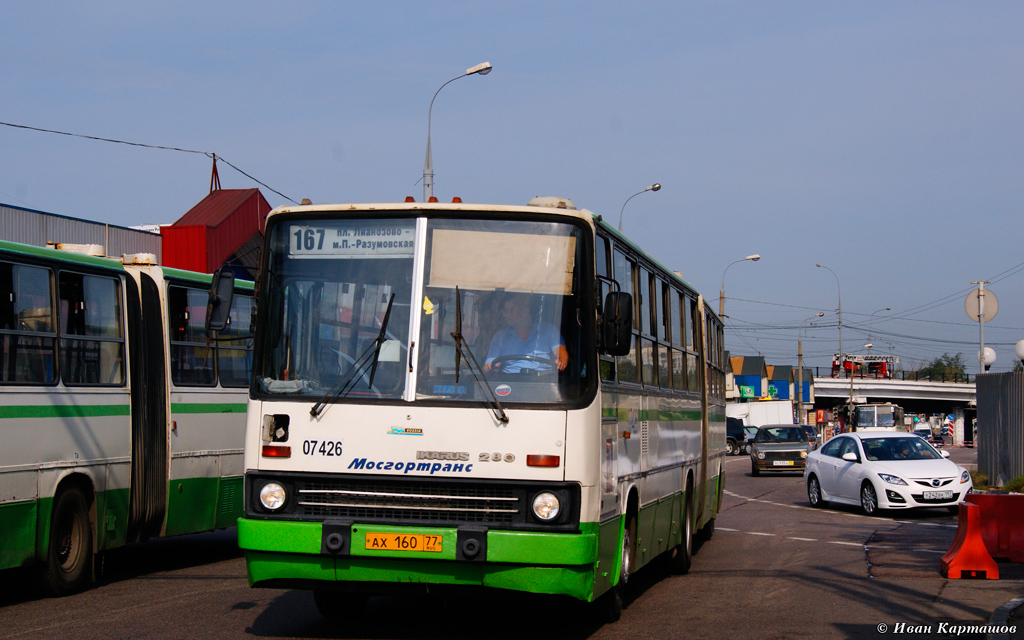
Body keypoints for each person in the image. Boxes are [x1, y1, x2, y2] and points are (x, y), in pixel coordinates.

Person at [483, 295, 568, 374]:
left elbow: (559, 349)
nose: (506, 315)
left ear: (525, 311)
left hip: (542, 383)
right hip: (510, 384)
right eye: (505, 312)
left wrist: (561, 360)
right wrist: (491, 367)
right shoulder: (499, 337)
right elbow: (486, 367)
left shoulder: (548, 330)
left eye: (511, 311)